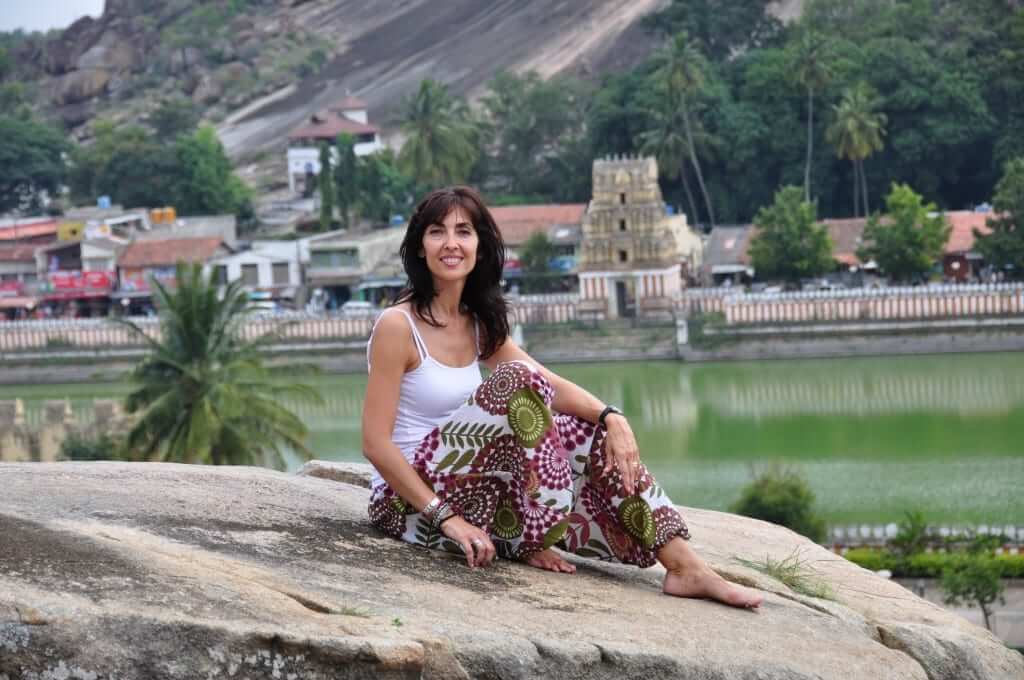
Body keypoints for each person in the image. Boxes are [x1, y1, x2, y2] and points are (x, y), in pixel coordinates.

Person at [362, 186, 762, 608]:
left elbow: (550, 384)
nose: (450, 243)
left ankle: (685, 567)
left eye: (463, 232)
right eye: (436, 232)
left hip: (466, 492)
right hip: (405, 504)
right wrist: (448, 519)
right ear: (420, 248)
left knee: (584, 427)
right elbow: (375, 444)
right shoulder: (397, 325)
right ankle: (533, 527)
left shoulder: (476, 323)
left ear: (479, 247)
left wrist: (610, 416)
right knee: (518, 383)